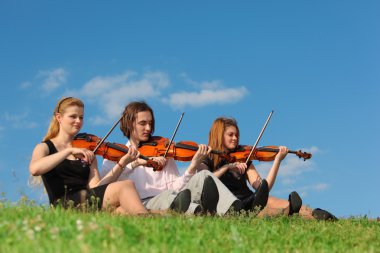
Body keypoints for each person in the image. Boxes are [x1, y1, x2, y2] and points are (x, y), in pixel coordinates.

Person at [101, 101, 268, 215]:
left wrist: (192, 165)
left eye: (150, 123)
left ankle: (237, 208)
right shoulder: (115, 154)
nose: (149, 128)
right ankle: (206, 210)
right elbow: (106, 189)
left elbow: (176, 186)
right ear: (129, 124)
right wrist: (133, 163)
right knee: (180, 201)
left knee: (203, 176)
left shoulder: (164, 151)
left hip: (173, 196)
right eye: (142, 123)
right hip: (145, 202)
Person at [29, 97, 153, 215]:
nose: (78, 121)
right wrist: (68, 151)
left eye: (81, 117)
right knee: (126, 185)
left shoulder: (87, 151)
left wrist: (122, 164)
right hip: (63, 206)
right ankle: (147, 217)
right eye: (73, 116)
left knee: (123, 212)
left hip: (87, 201)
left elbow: (96, 188)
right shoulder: (44, 147)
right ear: (59, 117)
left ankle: (150, 220)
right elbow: (35, 169)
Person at [198, 117, 337, 220]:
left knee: (276, 201)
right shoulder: (206, 157)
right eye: (230, 135)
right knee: (269, 211)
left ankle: (320, 215)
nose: (235, 138)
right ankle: (293, 213)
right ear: (218, 135)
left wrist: (277, 161)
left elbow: (263, 189)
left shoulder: (242, 158)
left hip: (250, 199)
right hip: (231, 204)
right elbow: (204, 181)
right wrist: (227, 167)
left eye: (237, 135)